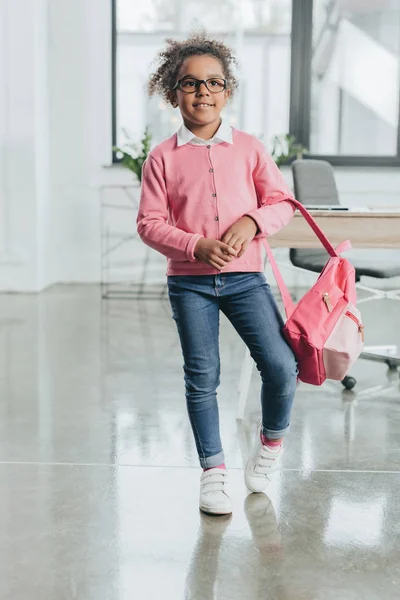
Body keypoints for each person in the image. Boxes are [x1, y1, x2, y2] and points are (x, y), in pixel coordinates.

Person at [137, 31, 298, 516]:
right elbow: (149, 223)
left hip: (247, 278)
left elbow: (282, 203)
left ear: (228, 91)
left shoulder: (249, 149)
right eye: (190, 83)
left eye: (213, 82)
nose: (202, 92)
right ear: (173, 93)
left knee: (281, 366)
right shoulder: (161, 158)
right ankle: (212, 472)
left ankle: (270, 451)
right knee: (202, 376)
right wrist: (195, 245)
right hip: (189, 284)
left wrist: (251, 221)